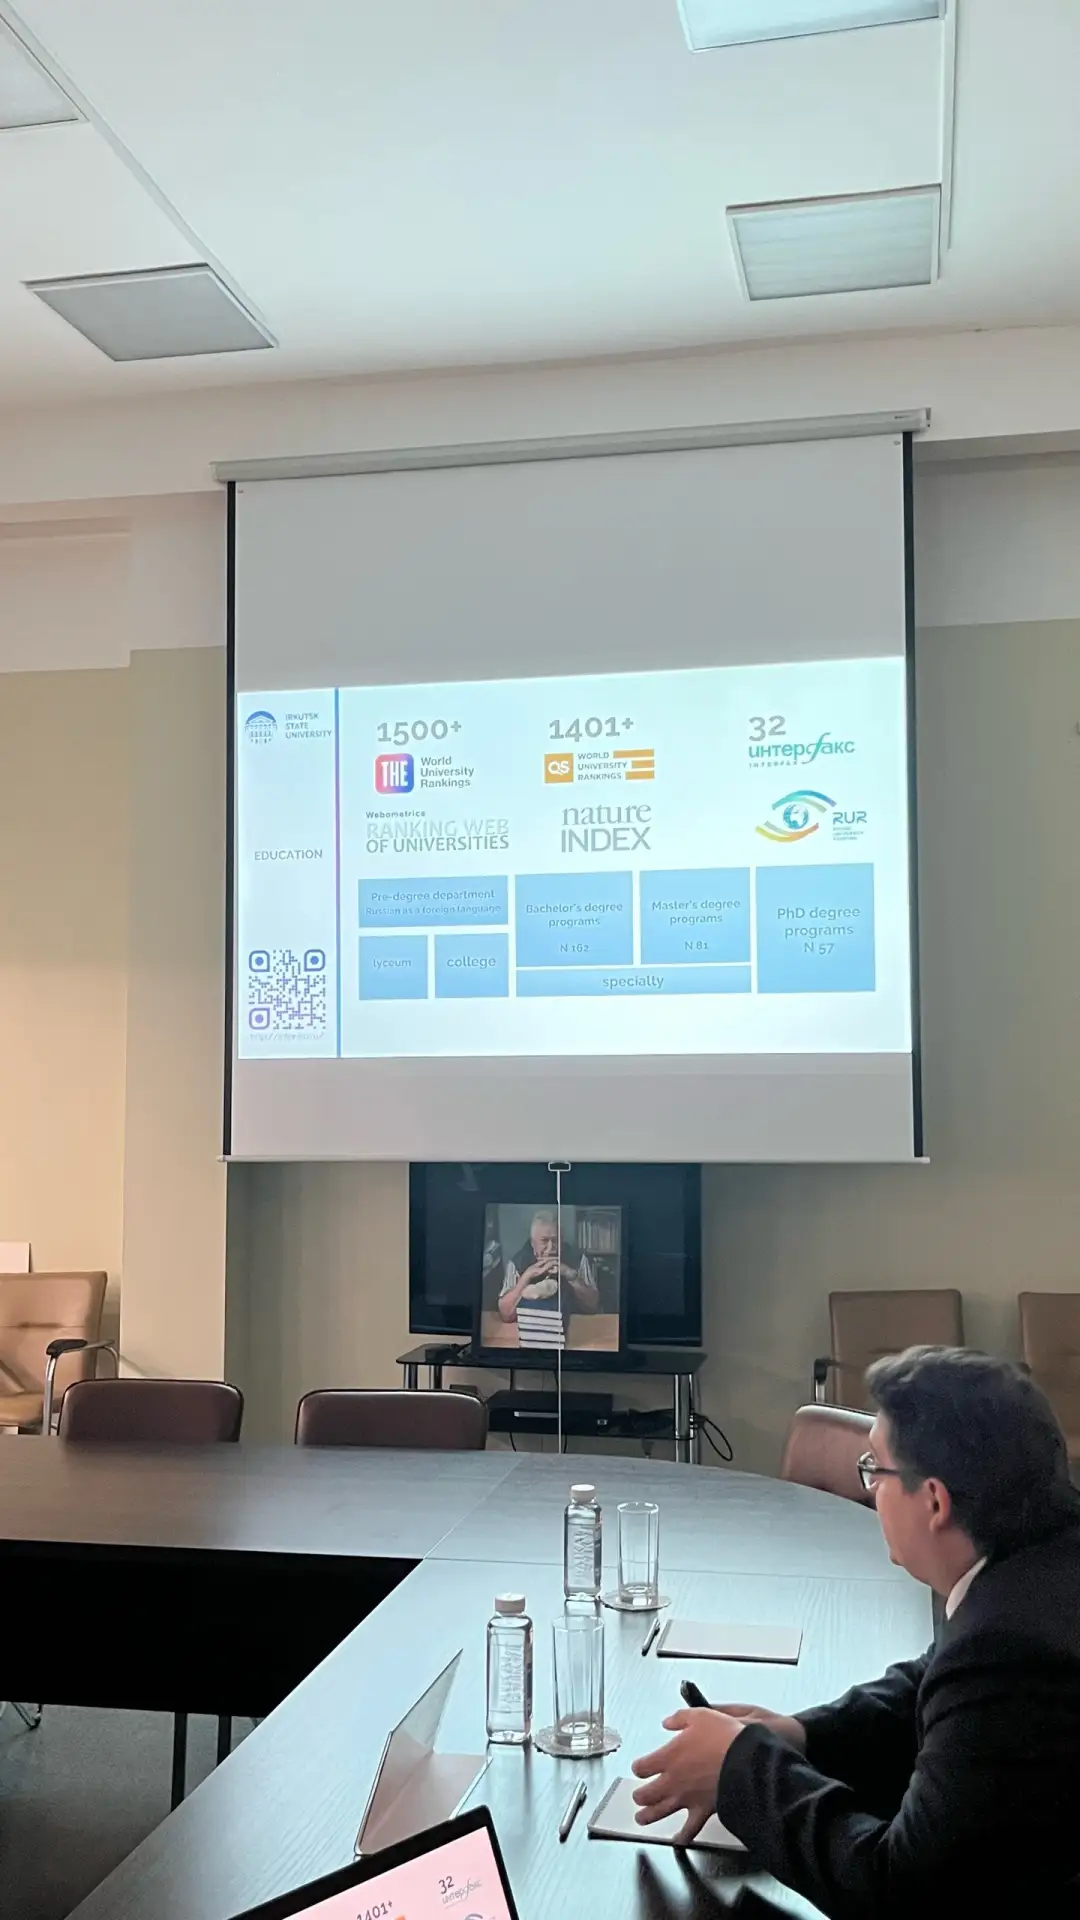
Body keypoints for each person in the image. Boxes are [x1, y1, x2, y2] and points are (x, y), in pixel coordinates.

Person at [631, 1345, 1080, 1917]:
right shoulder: (1037, 1563)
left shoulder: (1013, 1647)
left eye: (876, 1470)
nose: (869, 1489)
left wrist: (741, 1771)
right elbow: (936, 1682)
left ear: (934, 1501)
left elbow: (897, 1890)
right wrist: (801, 1735)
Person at [497, 1207, 599, 1339]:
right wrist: (526, 1277)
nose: (551, 1248)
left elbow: (592, 1305)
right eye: (544, 1241)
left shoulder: (578, 1259)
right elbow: (505, 1314)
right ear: (533, 1244)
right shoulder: (517, 1262)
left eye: (555, 1241)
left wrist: (570, 1275)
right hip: (531, 1332)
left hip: (573, 1330)